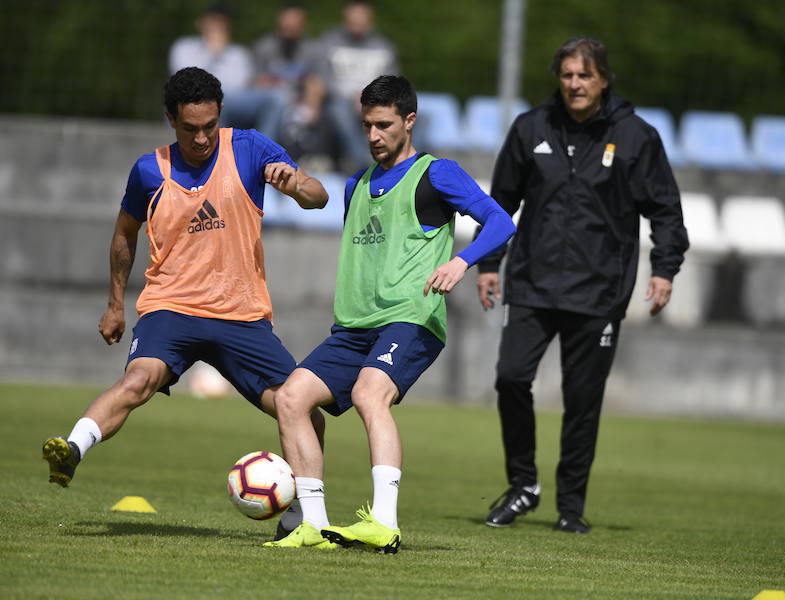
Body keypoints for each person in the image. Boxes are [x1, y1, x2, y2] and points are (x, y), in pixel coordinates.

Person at [41, 66, 329, 539]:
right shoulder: (149, 170)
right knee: (139, 379)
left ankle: (298, 521)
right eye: (191, 129)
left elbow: (317, 197)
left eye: (210, 127)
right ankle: (72, 449)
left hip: (240, 312)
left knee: (302, 410)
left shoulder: (251, 148)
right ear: (171, 121)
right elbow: (123, 237)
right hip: (172, 306)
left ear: (220, 116)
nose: (202, 138)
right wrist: (115, 304)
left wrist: (295, 185)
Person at [264, 75, 516, 551]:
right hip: (354, 326)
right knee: (291, 399)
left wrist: (461, 261)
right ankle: (315, 525)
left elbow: (501, 222)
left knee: (368, 393)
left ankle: (384, 523)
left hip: (412, 316)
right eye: (367, 126)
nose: (374, 135)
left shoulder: (436, 173)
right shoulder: (356, 184)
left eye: (384, 125)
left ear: (409, 121)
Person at [478, 37, 689, 534]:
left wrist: (665, 268)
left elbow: (665, 210)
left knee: (582, 401)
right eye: (567, 74)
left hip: (599, 292)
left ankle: (570, 507)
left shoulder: (637, 137)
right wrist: (489, 263)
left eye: (584, 75)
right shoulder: (531, 127)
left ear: (604, 80)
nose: (574, 83)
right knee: (510, 377)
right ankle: (523, 485)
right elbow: (500, 201)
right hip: (531, 282)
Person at [169, 2, 284, 139]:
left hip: (231, 102)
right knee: (212, 103)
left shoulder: (239, 54)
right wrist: (213, 53)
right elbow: (186, 82)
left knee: (275, 99)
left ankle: (263, 152)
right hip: (196, 103)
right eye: (213, 21)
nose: (217, 27)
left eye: (222, 23)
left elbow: (239, 86)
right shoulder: (183, 47)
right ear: (201, 23)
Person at [317, 0, 399, 169]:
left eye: (362, 18)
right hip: (339, 101)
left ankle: (403, 165)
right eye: (353, 18)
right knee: (339, 112)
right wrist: (353, 97)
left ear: (370, 20)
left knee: (413, 115)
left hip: (376, 101)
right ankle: (366, 161)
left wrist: (370, 97)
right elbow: (321, 78)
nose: (357, 23)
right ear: (345, 19)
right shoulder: (329, 42)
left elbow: (393, 83)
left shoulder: (383, 46)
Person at [249, 2, 327, 157]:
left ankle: (310, 155)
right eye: (286, 24)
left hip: (302, 105)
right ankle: (261, 156)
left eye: (294, 24)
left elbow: (319, 83)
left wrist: (309, 106)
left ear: (303, 24)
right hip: (273, 102)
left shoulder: (313, 49)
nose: (289, 29)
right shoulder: (264, 47)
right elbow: (255, 84)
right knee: (275, 105)